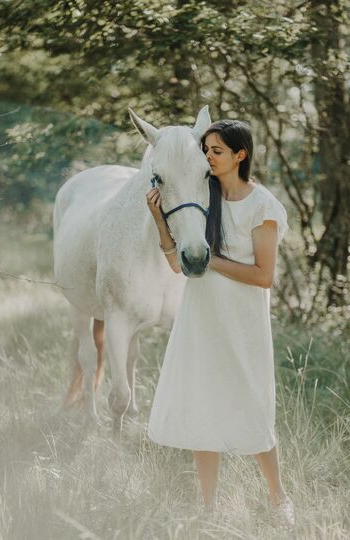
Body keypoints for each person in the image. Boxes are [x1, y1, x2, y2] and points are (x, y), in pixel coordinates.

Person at [145, 119, 294, 529]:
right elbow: (178, 265)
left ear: (239, 155)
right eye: (205, 150)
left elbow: (264, 276)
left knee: (253, 405)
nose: (207, 156)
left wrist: (212, 261)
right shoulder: (202, 198)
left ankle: (279, 498)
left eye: (216, 150)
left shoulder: (262, 205)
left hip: (242, 322)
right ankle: (208, 508)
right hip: (201, 318)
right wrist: (159, 219)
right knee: (201, 406)